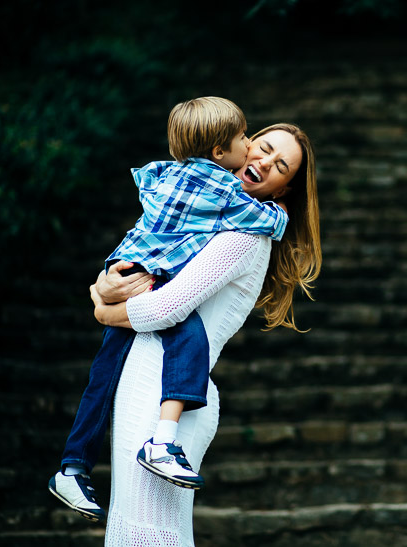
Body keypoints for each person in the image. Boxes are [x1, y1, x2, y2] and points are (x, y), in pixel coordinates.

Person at [48, 97, 290, 522]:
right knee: (190, 336)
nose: (253, 148)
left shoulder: (168, 172)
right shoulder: (223, 194)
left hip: (128, 264)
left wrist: (103, 297)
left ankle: (72, 467)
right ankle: (162, 441)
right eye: (250, 140)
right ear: (221, 150)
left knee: (100, 378)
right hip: (151, 279)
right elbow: (268, 223)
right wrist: (280, 212)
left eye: (281, 164)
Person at [94, 124, 320, 545]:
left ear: (283, 190)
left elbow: (166, 307)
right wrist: (104, 284)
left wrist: (103, 311)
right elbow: (141, 261)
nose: (265, 162)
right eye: (263, 148)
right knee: (141, 531)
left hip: (166, 390)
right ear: (243, 145)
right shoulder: (206, 221)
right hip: (160, 385)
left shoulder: (245, 235)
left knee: (147, 534)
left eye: (280, 166)